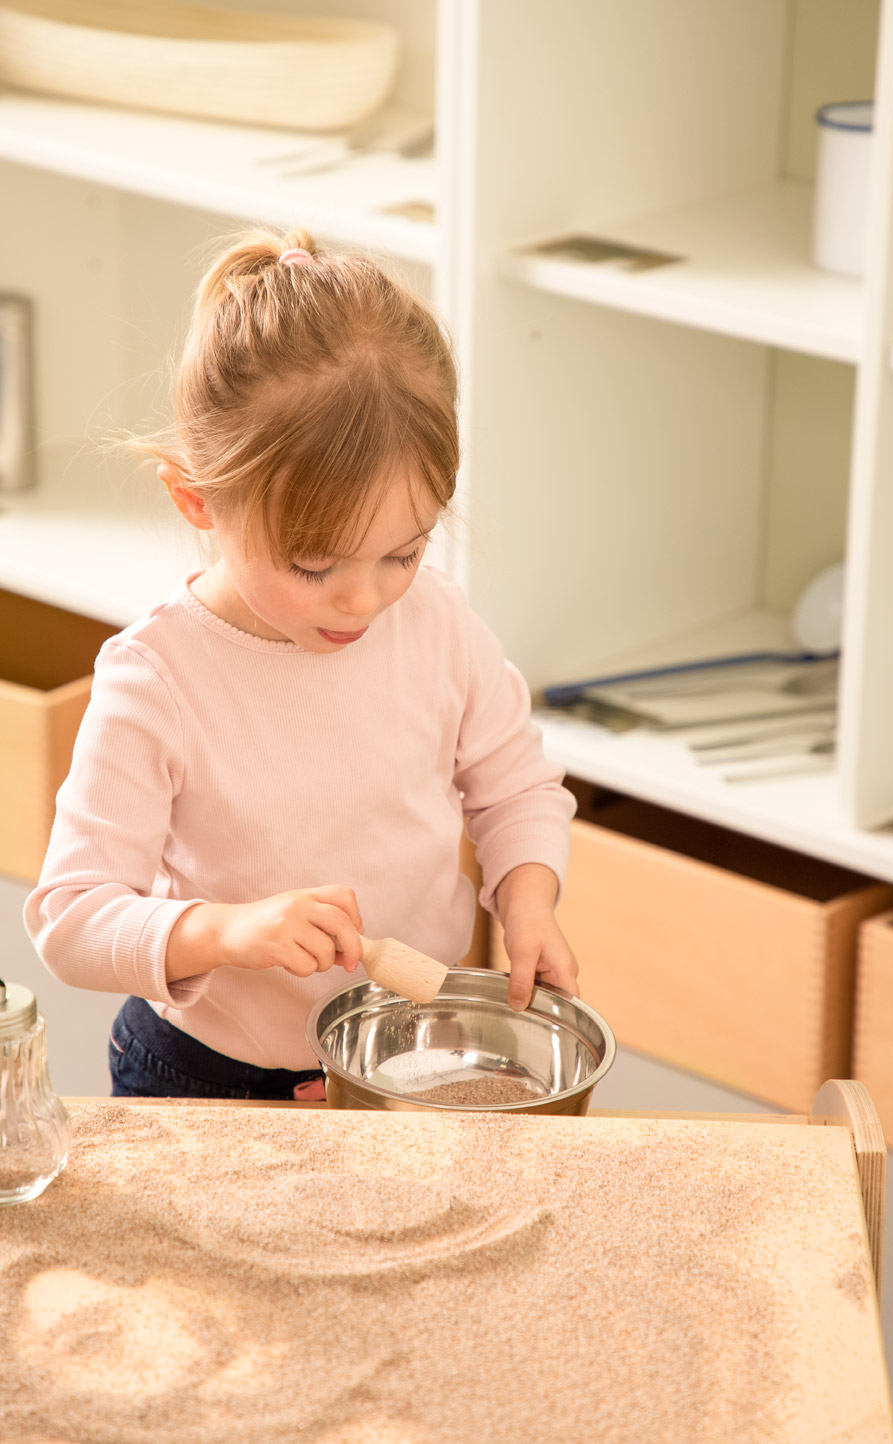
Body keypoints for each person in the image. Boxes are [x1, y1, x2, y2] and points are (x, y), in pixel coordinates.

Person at [24, 228, 578, 1101]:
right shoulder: (156, 679)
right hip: (208, 1076)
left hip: (407, 1063)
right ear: (197, 500)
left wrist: (529, 904)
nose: (362, 601)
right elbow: (70, 920)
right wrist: (224, 931)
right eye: (314, 567)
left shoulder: (436, 623)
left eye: (403, 551)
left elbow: (515, 788)